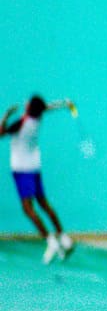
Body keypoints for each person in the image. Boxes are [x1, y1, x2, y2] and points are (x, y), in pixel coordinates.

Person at [3, 95, 75, 263]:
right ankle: (64, 238)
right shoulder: (37, 118)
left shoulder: (21, 123)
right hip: (34, 169)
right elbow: (46, 108)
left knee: (28, 209)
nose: (26, 102)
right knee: (44, 204)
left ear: (29, 108)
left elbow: (1, 133)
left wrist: (6, 115)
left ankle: (51, 242)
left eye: (28, 102)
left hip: (22, 171)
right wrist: (64, 103)